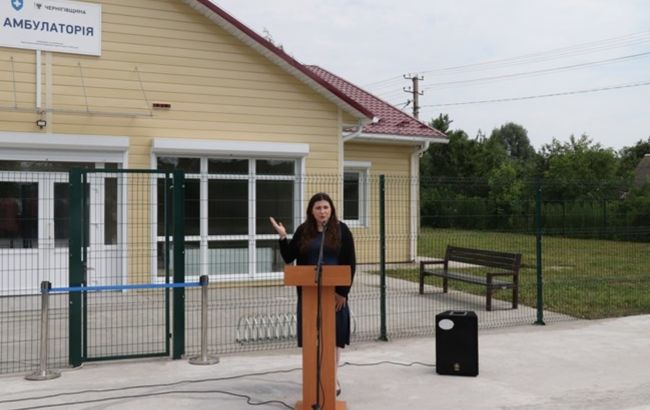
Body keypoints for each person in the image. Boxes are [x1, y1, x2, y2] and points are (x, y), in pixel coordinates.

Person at [269, 192, 356, 397]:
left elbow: (350, 262)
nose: (322, 211)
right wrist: (283, 236)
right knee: (312, 336)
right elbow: (289, 256)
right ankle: (314, 376)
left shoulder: (342, 230)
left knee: (333, 336)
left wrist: (342, 293)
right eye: (318, 208)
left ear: (331, 209)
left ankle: (331, 377)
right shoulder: (304, 230)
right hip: (308, 294)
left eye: (326, 207)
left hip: (334, 295)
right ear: (312, 211)